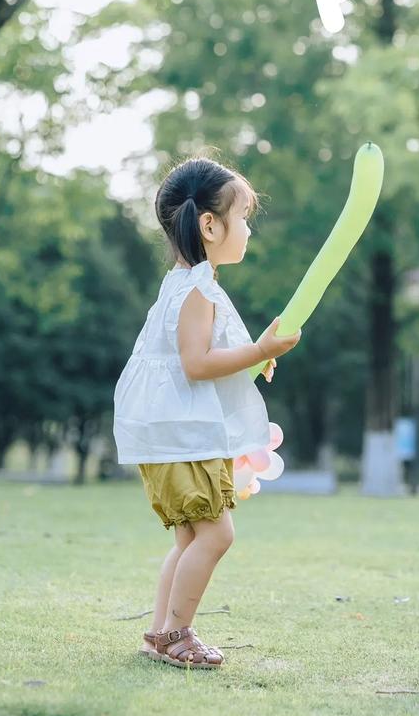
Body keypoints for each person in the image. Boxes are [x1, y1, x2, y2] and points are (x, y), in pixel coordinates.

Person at [113, 156, 301, 669]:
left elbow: (196, 358)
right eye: (243, 218)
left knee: (191, 537)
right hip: (180, 436)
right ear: (209, 225)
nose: (248, 231)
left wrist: (249, 361)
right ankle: (177, 633)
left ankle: (160, 634)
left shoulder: (188, 281)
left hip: (173, 433)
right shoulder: (196, 287)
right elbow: (196, 364)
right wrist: (262, 351)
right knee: (217, 534)